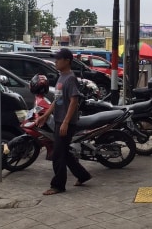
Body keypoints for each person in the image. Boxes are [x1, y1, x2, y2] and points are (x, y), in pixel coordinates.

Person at [35, 48, 91, 195]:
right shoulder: (61, 77)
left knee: (58, 154)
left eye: (58, 59)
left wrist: (66, 122)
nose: (56, 62)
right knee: (64, 152)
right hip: (59, 119)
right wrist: (46, 115)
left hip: (66, 122)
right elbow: (57, 100)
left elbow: (74, 101)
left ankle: (58, 185)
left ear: (67, 61)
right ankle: (83, 175)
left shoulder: (70, 78)